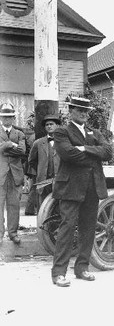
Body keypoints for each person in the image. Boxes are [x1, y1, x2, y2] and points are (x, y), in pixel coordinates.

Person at [51, 97, 112, 287]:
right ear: (71, 111)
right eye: (79, 110)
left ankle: (82, 268)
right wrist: (94, 155)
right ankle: (58, 273)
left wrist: (85, 148)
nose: (84, 114)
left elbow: (109, 152)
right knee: (67, 228)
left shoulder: (93, 132)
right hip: (70, 187)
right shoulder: (62, 131)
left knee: (88, 228)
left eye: (86, 111)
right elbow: (68, 154)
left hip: (92, 187)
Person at [0, 103, 26, 245]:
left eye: (9, 117)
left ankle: (13, 233)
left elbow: (22, 151)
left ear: (14, 118)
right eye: (4, 117)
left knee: (14, 205)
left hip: (15, 175)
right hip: (1, 175)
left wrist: (5, 146)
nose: (6, 120)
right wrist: (11, 144)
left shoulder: (20, 133)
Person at [27, 114, 61, 212]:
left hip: (59, 181)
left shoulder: (63, 142)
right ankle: (43, 227)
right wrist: (40, 171)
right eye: (47, 125)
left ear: (57, 126)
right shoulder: (38, 143)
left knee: (58, 208)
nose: (49, 126)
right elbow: (31, 161)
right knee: (43, 209)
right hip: (43, 182)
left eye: (51, 124)